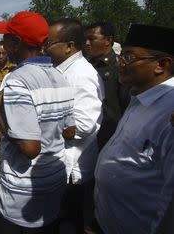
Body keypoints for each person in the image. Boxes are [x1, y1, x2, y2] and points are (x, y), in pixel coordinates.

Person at [0, 11, 75, 234]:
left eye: (7, 38)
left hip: (23, 192)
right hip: (54, 181)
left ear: (16, 43)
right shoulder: (60, 76)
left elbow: (30, 148)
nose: (4, 44)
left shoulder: (18, 80)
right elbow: (70, 131)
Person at [94, 24, 174, 234]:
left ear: (161, 65)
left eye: (128, 57)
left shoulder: (170, 113)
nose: (119, 63)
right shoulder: (139, 95)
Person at [45, 18, 104, 234]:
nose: (46, 48)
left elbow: (85, 125)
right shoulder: (62, 70)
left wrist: (43, 128)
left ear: (69, 46)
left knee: (71, 223)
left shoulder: (82, 74)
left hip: (74, 169)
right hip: (61, 165)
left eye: (50, 43)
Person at [84, 22, 130, 150]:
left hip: (111, 138)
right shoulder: (85, 66)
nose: (87, 43)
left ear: (108, 40)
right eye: (86, 39)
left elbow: (126, 106)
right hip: (88, 138)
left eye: (92, 39)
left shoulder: (119, 67)